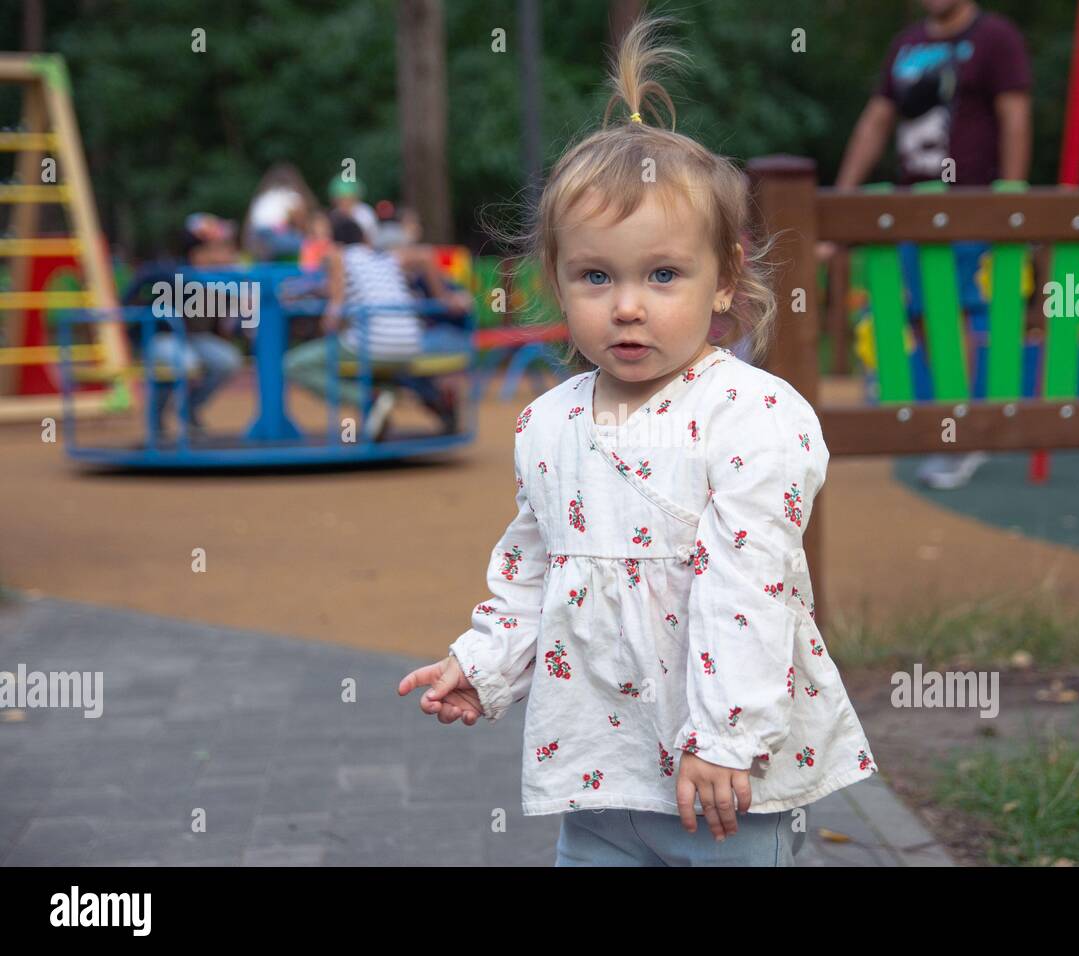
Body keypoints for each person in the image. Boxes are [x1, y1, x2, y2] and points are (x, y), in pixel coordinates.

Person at [396, 15, 878, 868]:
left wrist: (725, 738)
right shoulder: (550, 424)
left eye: (662, 275)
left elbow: (751, 588)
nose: (627, 305)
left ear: (725, 276)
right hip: (597, 764)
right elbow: (534, 567)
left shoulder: (752, 416)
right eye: (595, 276)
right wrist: (486, 663)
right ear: (556, 281)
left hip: (723, 782)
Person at [824, 0, 1031, 489]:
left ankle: (958, 434)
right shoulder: (908, 43)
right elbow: (876, 121)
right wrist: (842, 199)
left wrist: (1013, 199)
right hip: (914, 204)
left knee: (949, 312)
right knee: (920, 314)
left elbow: (1015, 117)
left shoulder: (994, 37)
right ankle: (945, 423)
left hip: (968, 202)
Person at [283, 212, 473, 440]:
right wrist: (443, 297)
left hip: (372, 346)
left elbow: (333, 314)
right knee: (387, 363)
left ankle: (368, 400)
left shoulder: (337, 257)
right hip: (410, 344)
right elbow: (426, 255)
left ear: (333, 240)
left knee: (294, 365)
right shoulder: (386, 257)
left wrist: (320, 314)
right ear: (364, 237)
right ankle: (430, 402)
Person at [145, 214, 244, 434]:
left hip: (194, 339)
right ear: (197, 252)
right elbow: (146, 279)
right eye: (218, 248)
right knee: (184, 363)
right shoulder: (174, 273)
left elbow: (229, 323)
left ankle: (189, 408)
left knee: (228, 361)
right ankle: (156, 418)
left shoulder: (223, 279)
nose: (226, 254)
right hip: (162, 336)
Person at [243, 163, 319, 261]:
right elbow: (299, 216)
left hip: (258, 235)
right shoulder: (289, 194)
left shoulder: (264, 196)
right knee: (305, 243)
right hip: (272, 233)